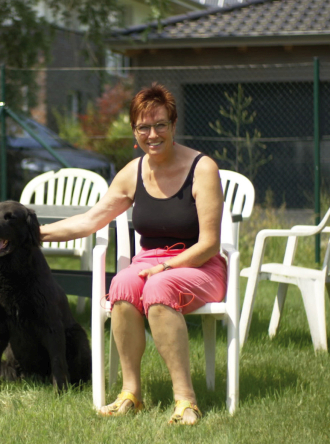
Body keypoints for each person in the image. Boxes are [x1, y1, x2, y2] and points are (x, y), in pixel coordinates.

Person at [39, 83, 226, 426]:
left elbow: (210, 244)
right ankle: (130, 394)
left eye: (160, 125)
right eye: (143, 127)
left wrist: (168, 266)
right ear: (134, 131)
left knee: (159, 289)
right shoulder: (132, 172)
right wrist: (36, 234)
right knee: (122, 286)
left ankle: (186, 401)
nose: (152, 134)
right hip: (148, 263)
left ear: (173, 125)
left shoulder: (202, 168)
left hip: (198, 263)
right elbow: (91, 220)